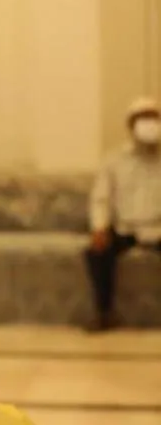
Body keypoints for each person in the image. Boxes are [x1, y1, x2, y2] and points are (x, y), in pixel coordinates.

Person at [84, 97, 161, 332]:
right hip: (124, 228)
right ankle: (104, 313)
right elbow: (101, 198)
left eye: (153, 117)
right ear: (131, 125)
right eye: (142, 118)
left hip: (158, 228)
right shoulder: (114, 160)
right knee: (96, 252)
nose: (148, 123)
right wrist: (99, 228)